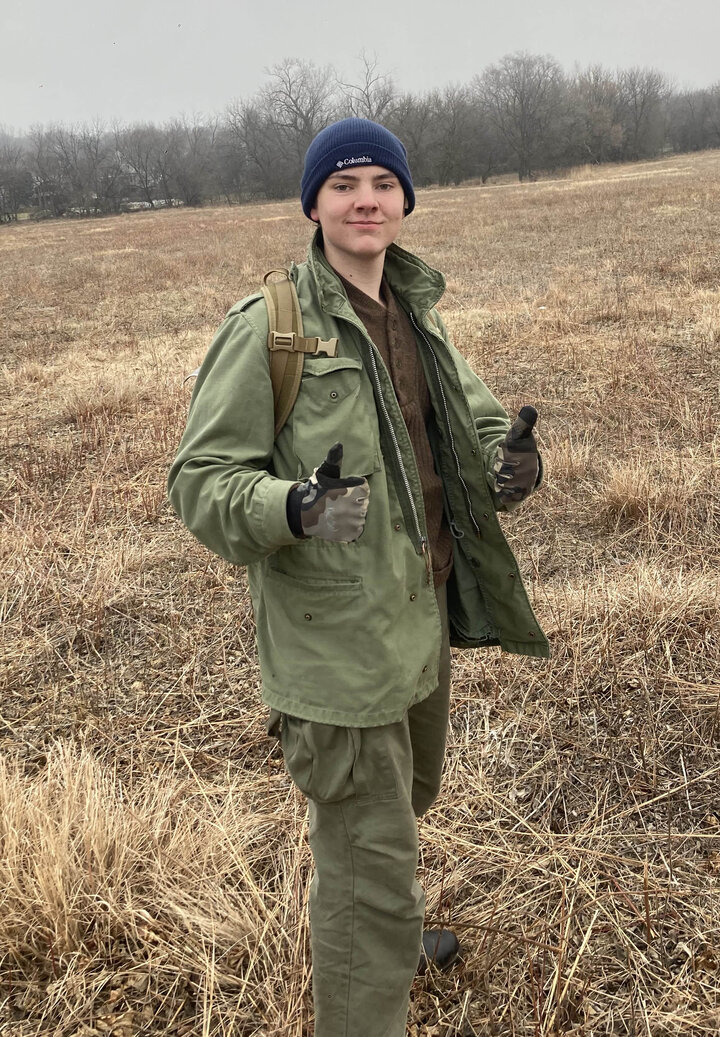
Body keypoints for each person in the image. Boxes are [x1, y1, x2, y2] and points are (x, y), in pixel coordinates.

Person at [168, 118, 549, 1037]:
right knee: (362, 859)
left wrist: (510, 458)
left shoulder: (416, 311)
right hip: (338, 652)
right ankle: (367, 968)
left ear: (406, 198)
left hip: (416, 625)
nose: (366, 197)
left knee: (402, 807)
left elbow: (475, 418)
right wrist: (291, 507)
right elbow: (200, 482)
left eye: (383, 180)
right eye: (343, 184)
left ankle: (389, 924)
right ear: (313, 204)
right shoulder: (273, 326)